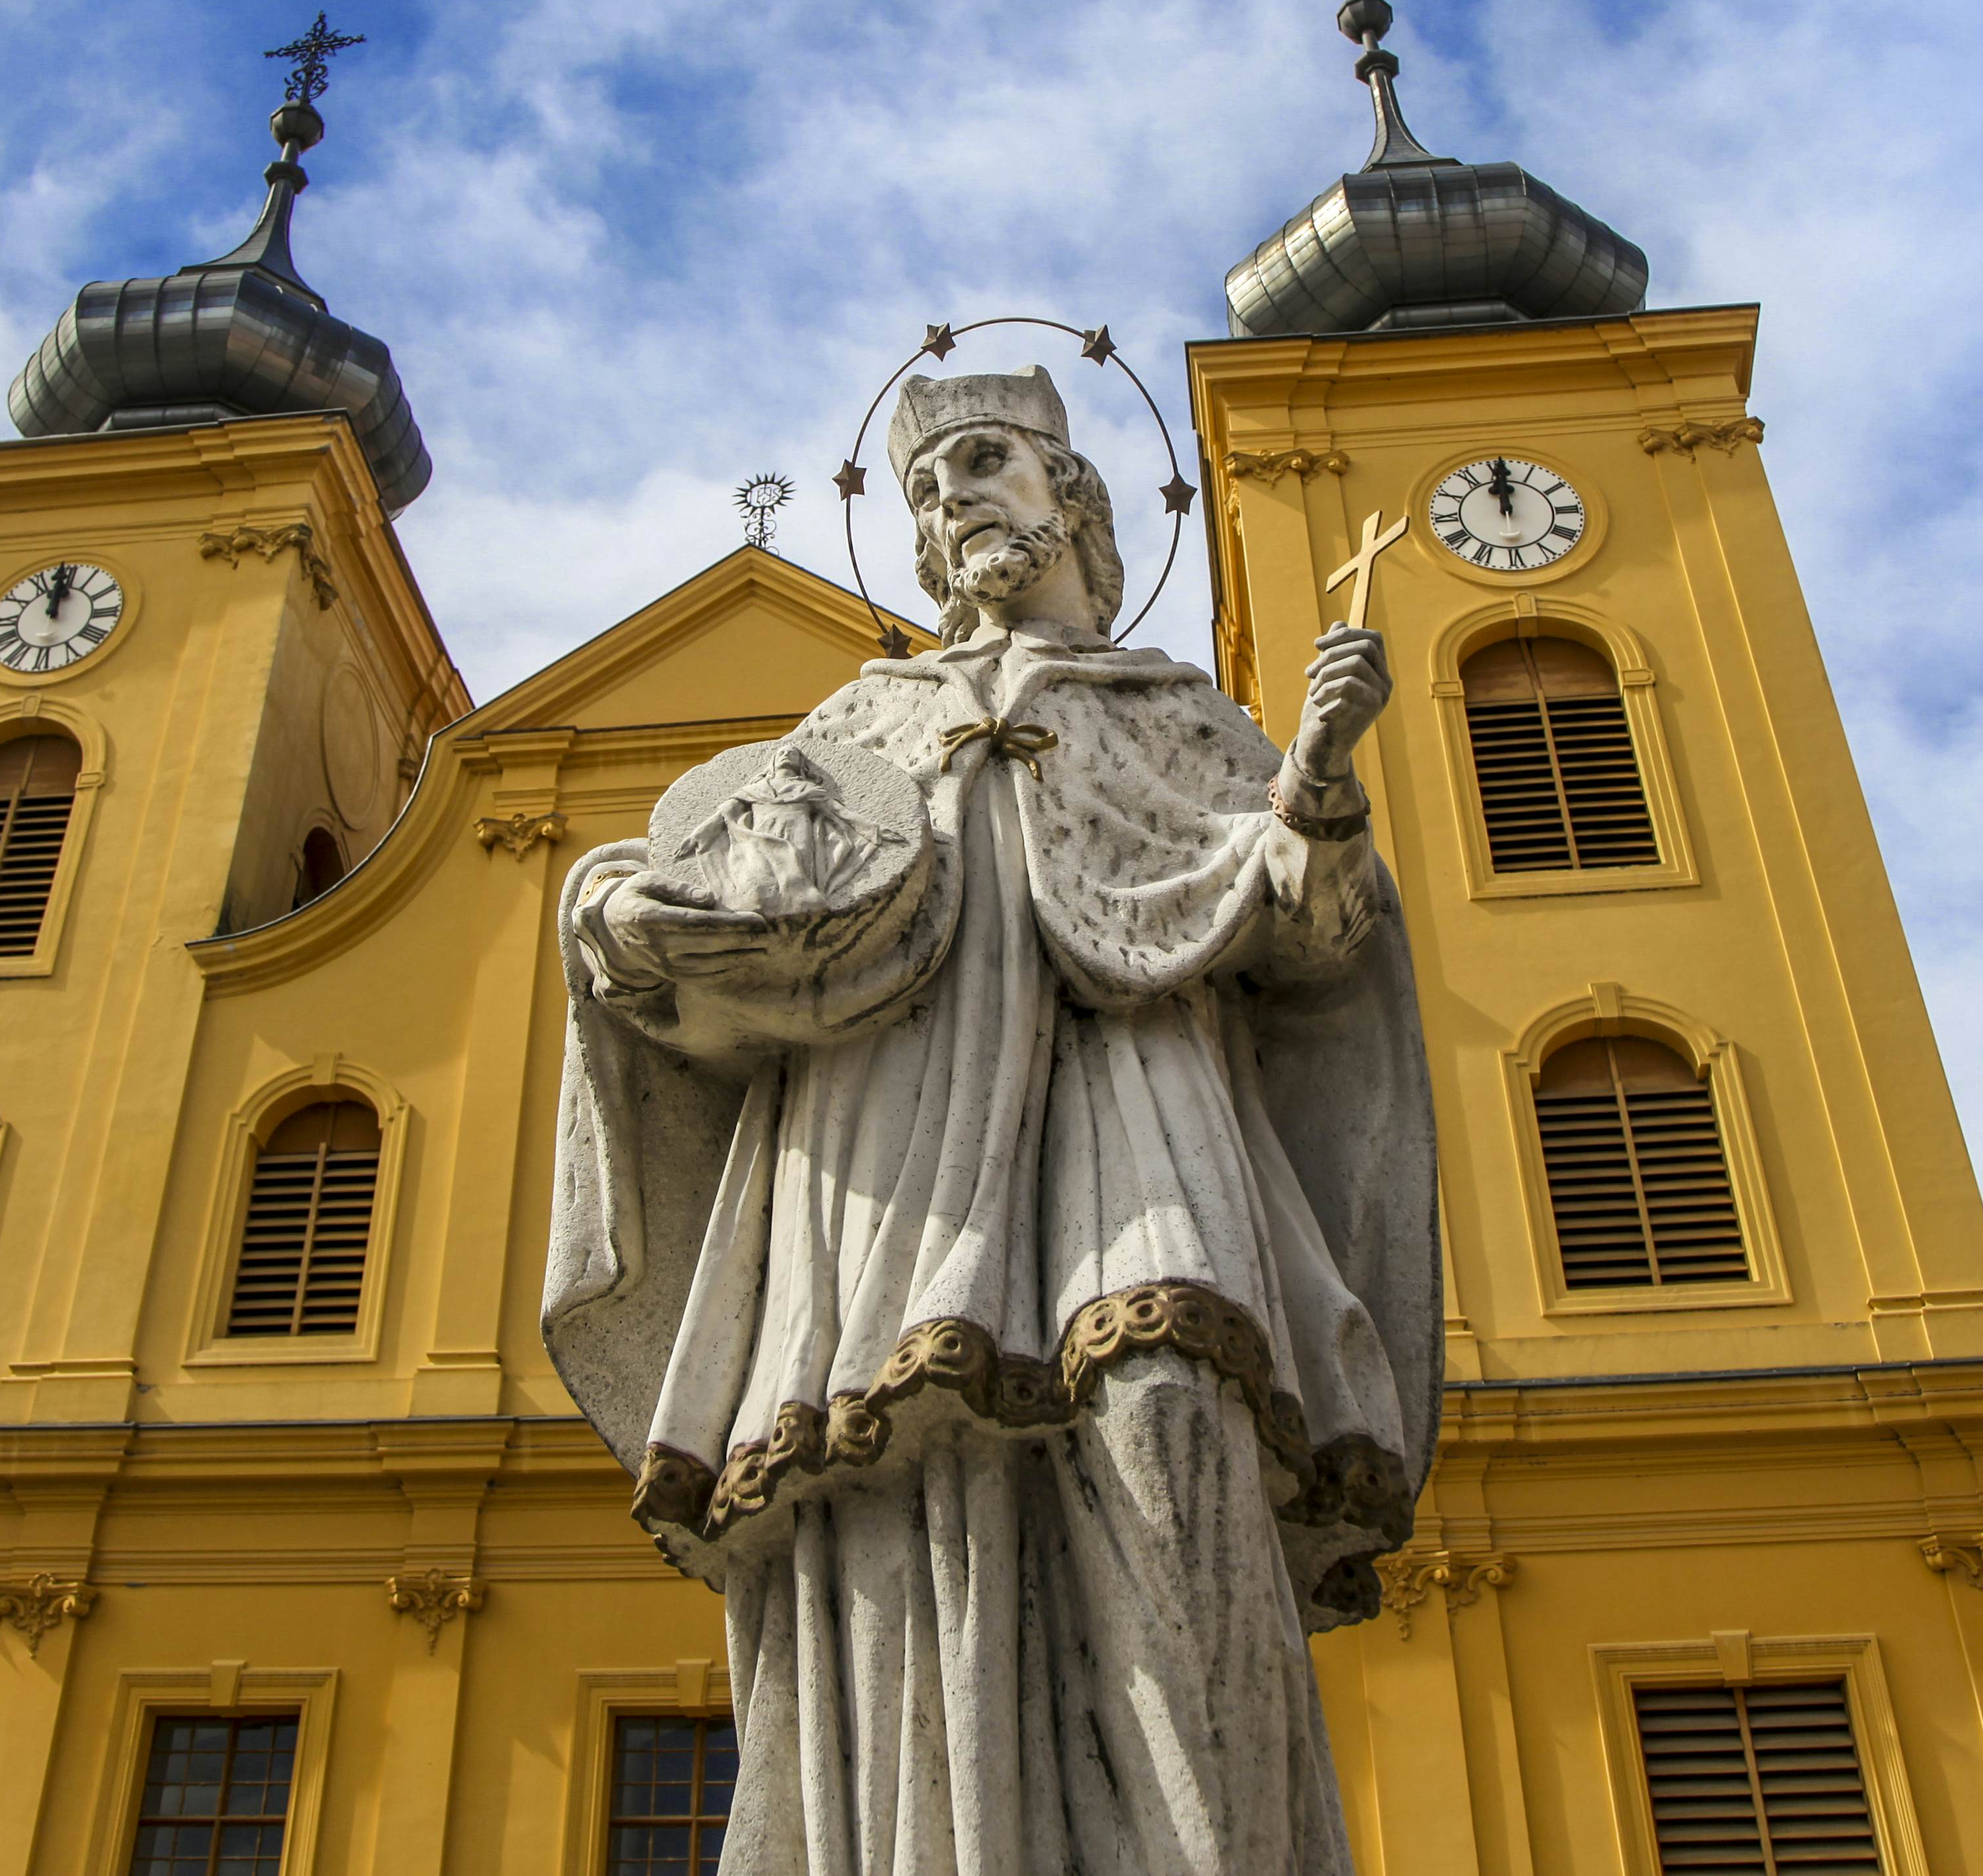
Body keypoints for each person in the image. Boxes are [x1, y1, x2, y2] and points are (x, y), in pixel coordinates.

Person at [544, 365, 1438, 1874]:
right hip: (888, 1144)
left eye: (982, 459)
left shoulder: (1175, 711)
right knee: (900, 1477)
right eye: (924, 482)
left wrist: (1319, 787)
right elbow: (738, 895)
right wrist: (612, 903)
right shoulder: (857, 719)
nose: (951, 493)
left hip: (1135, 1083)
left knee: (1172, 1406)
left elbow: (1315, 939)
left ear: (1070, 493)